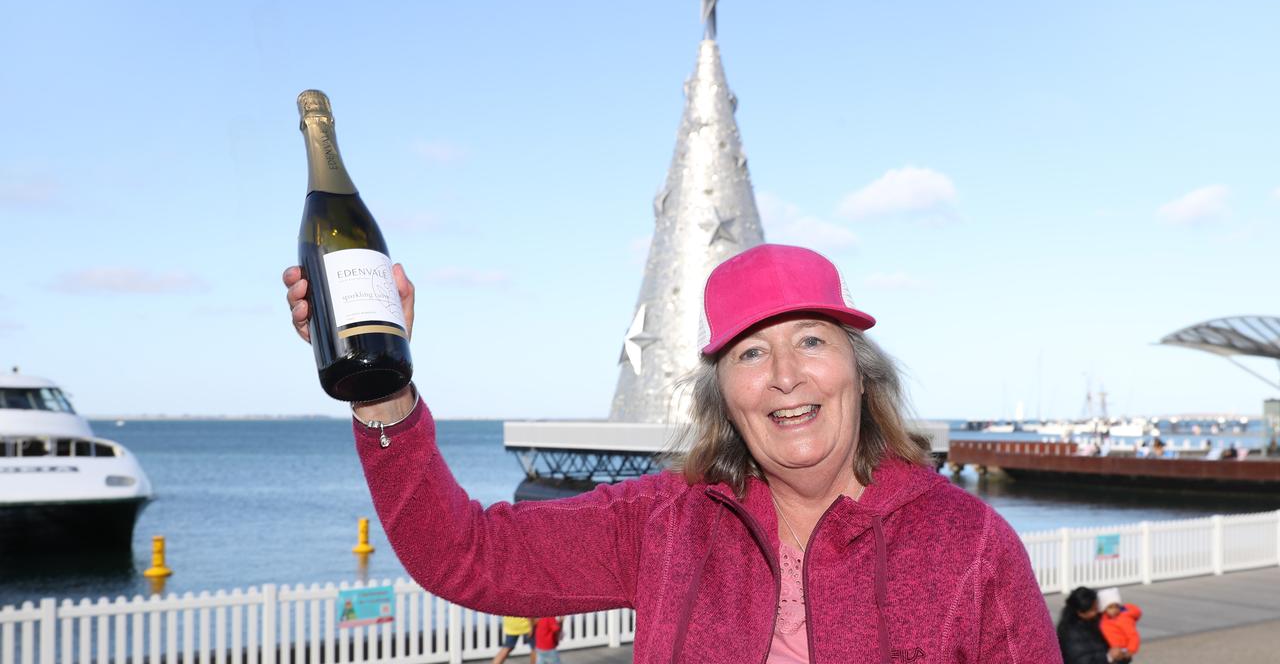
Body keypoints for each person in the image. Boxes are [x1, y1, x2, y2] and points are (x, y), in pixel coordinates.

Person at [283, 243, 1061, 662]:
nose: (786, 375)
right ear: (723, 395)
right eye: (751, 354)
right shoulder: (665, 522)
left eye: (812, 341)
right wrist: (381, 394)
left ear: (860, 371)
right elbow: (465, 555)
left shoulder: (968, 544)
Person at [1057, 587, 1125, 664]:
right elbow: (1080, 660)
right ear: (1080, 612)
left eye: (1097, 607)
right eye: (1092, 610)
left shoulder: (1097, 620)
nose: (1096, 612)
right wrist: (1109, 657)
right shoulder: (1069, 632)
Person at [1096, 587, 1141, 662]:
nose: (1114, 610)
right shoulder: (1103, 619)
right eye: (1110, 607)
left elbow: (1133, 635)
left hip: (1122, 651)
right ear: (1104, 608)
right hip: (1110, 649)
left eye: (1116, 606)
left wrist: (1130, 651)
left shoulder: (1124, 619)